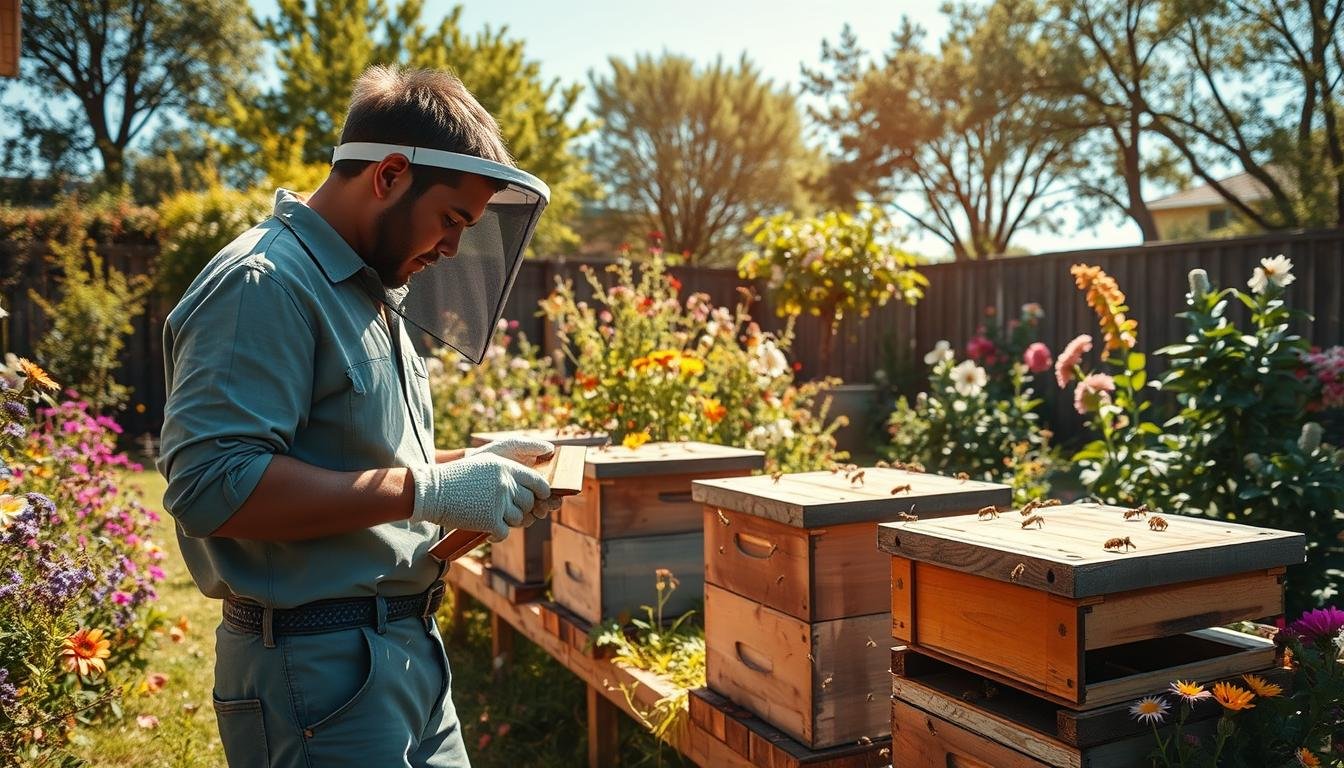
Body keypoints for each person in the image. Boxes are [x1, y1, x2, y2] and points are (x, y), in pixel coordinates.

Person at [157, 66, 558, 767]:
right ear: (391, 175)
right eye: (452, 219)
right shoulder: (265, 283)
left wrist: (466, 473)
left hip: (406, 655)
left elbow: (355, 464)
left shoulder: (370, 289)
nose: (455, 249)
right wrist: (427, 490)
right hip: (315, 676)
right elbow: (211, 485)